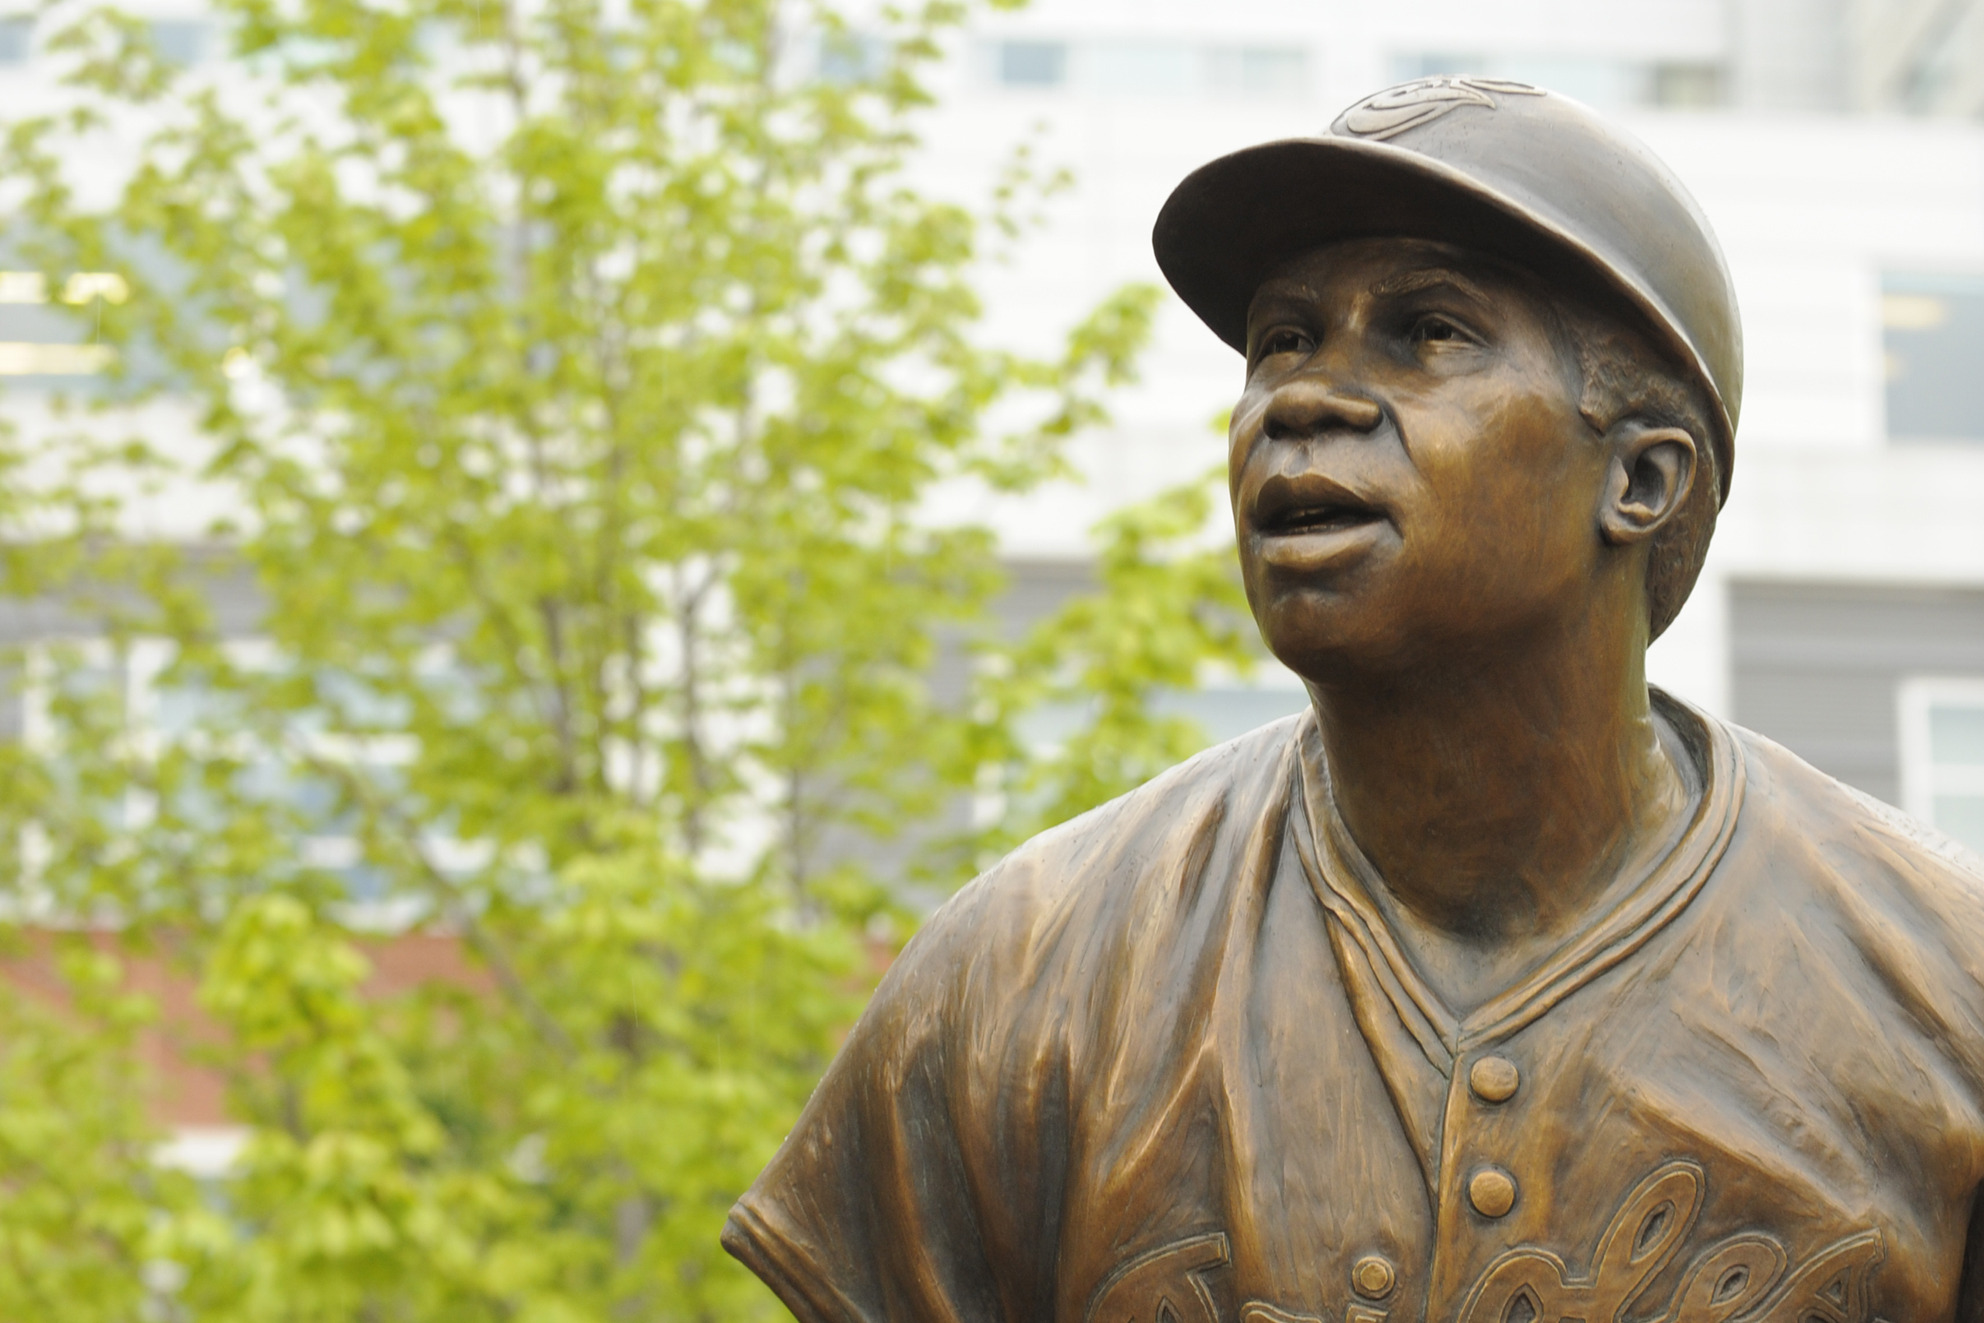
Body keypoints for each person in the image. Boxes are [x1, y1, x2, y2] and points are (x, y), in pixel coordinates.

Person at [721, 77, 1984, 1322]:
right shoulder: (1021, 978)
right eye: (1282, 338)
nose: (1302, 399)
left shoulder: (1944, 987)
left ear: (1641, 478)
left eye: (1429, 332)